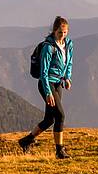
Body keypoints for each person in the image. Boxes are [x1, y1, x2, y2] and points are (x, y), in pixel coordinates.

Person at [17, 16, 74, 158]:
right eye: (60, 32)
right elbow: (43, 72)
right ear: (54, 31)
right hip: (46, 84)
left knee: (50, 119)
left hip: (58, 83)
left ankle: (26, 140)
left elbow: (69, 63)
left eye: (65, 32)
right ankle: (59, 150)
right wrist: (48, 92)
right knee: (60, 115)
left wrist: (67, 77)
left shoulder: (68, 44)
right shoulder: (48, 48)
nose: (62, 35)